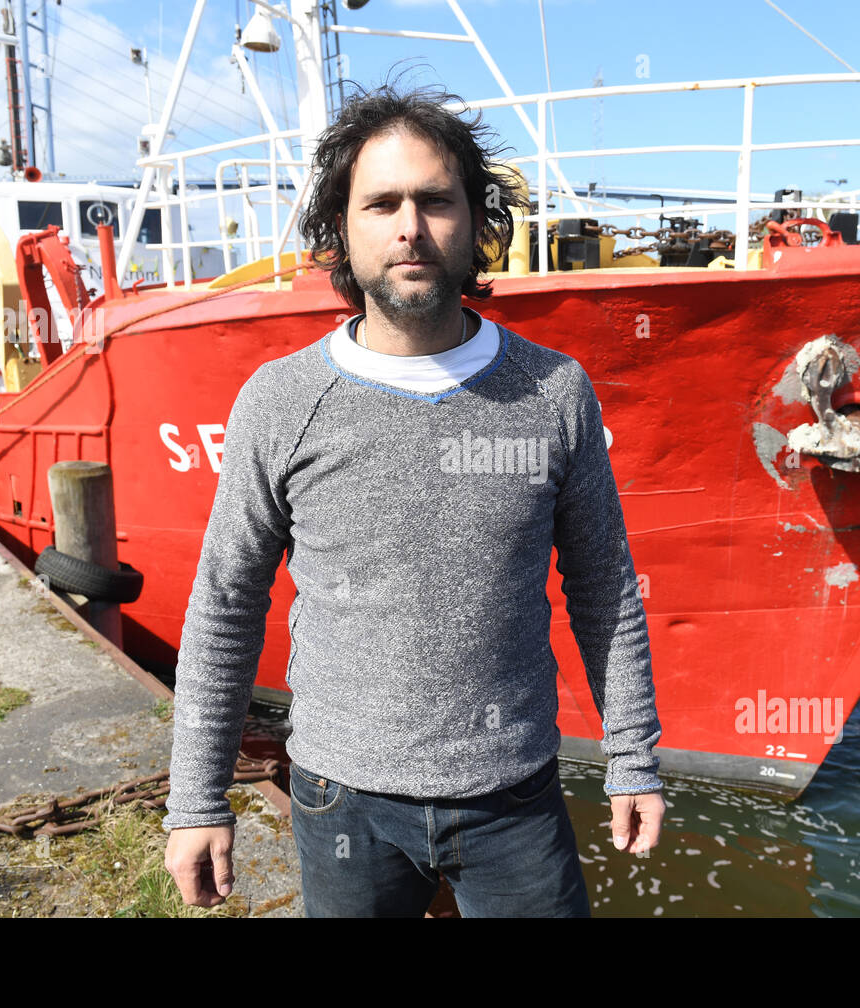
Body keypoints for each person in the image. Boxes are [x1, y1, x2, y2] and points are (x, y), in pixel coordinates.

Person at [163, 80, 664, 918]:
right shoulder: (281, 401)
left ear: (475, 222)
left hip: (517, 801)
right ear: (341, 229)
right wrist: (197, 801)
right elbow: (225, 605)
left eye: (435, 200)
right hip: (340, 801)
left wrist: (633, 757)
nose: (409, 227)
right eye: (380, 203)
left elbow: (605, 588)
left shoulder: (555, 391)